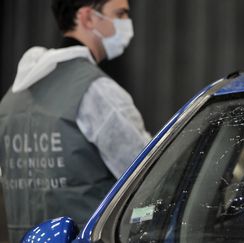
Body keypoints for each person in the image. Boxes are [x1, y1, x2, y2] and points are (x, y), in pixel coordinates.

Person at [0, 0, 152, 241]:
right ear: (88, 18)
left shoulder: (12, 98)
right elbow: (149, 175)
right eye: (120, 14)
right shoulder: (97, 91)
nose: (127, 24)